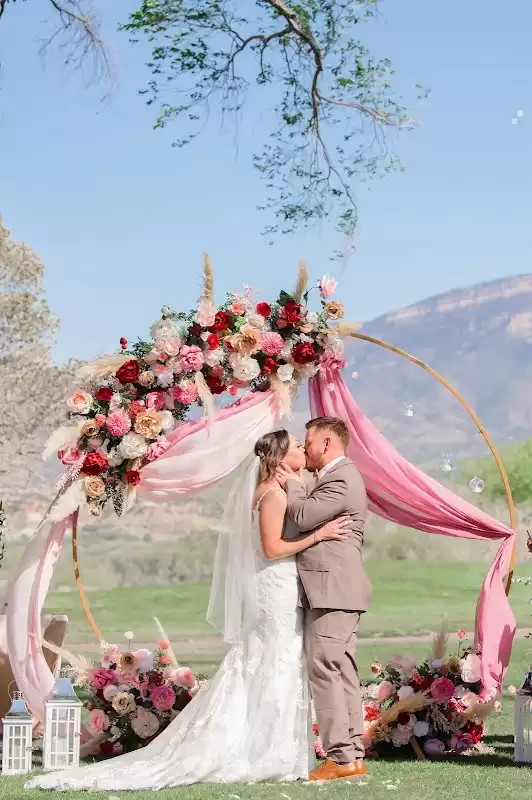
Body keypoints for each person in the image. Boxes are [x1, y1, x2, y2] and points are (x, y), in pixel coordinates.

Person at [25, 431, 349, 791]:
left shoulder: (277, 488)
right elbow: (273, 548)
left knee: (276, 661)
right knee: (276, 660)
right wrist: (321, 536)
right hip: (275, 587)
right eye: (298, 447)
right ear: (281, 457)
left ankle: (275, 749)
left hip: (279, 585)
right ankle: (266, 751)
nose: (304, 450)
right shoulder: (272, 495)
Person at [276, 416, 372, 782]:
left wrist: (294, 484)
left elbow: (301, 516)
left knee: (325, 670)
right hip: (335, 590)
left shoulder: (342, 478)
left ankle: (340, 757)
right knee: (341, 670)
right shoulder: (337, 477)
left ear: (327, 442)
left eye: (308, 441)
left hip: (333, 590)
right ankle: (351, 755)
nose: (305, 448)